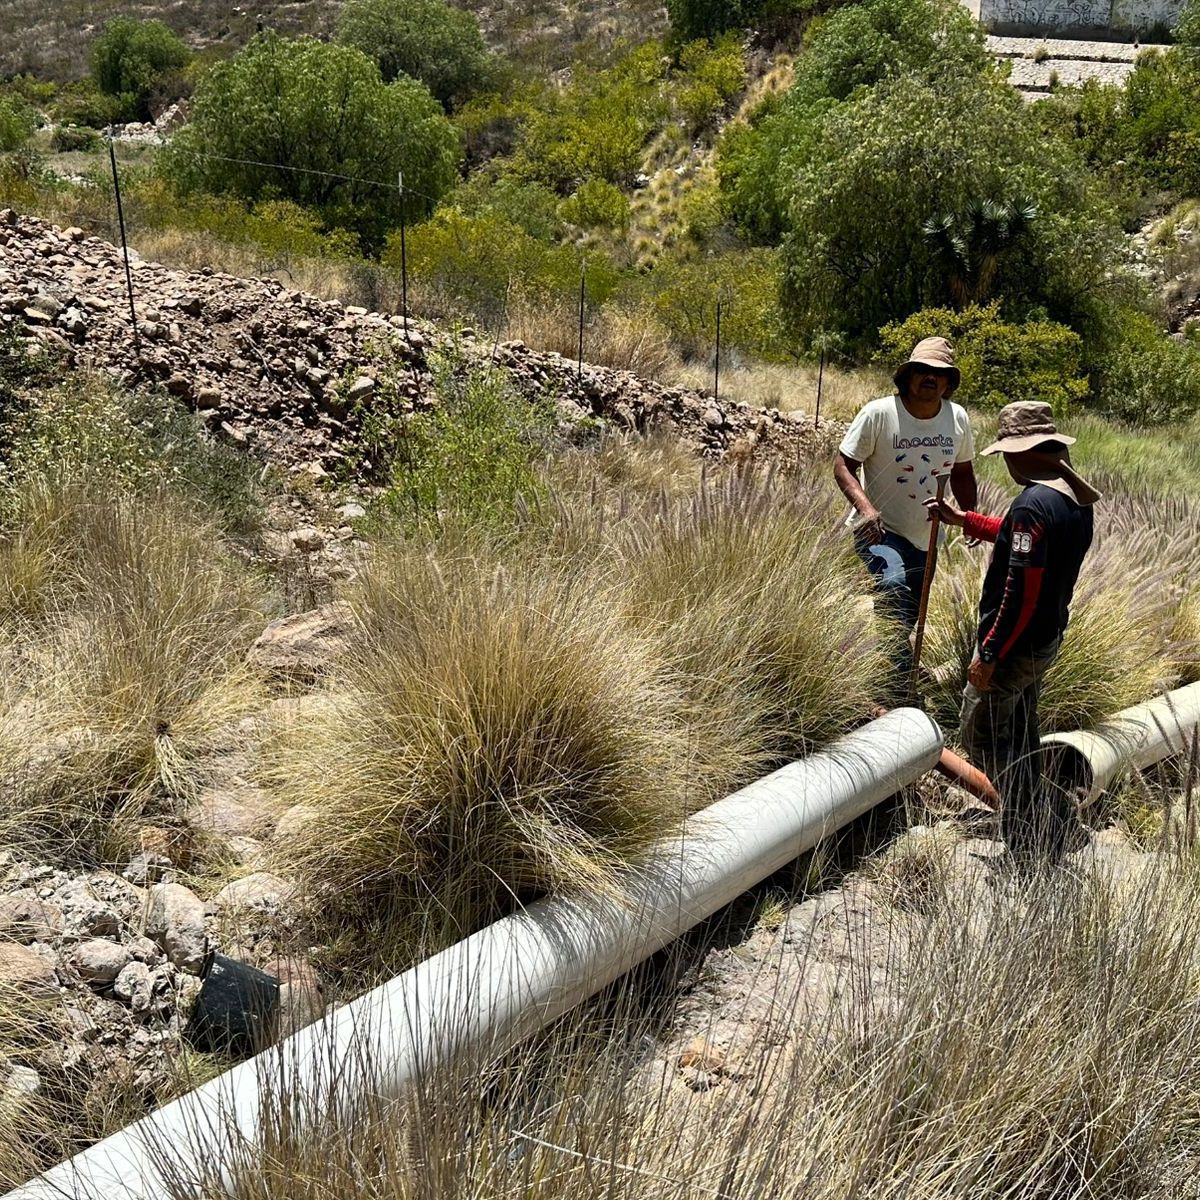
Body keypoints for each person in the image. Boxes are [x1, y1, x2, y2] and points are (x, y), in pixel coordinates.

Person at [925, 401, 1100, 865]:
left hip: (1016, 647)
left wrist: (988, 653)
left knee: (982, 735)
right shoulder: (1071, 499)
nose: (1005, 463)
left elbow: (1020, 592)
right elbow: (1019, 537)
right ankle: (1046, 814)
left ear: (1024, 453)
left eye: (1006, 453)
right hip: (1045, 640)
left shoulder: (1032, 503)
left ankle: (1026, 834)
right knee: (1022, 731)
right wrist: (966, 521)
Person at [834, 337, 978, 685]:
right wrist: (866, 509)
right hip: (879, 532)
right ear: (908, 376)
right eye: (922, 371)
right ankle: (898, 685)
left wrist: (970, 518)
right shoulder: (879, 413)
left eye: (939, 373)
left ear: (948, 383)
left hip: (927, 535)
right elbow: (843, 465)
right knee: (894, 588)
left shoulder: (957, 418)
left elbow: (962, 473)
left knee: (908, 611)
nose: (930, 377)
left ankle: (884, 668)